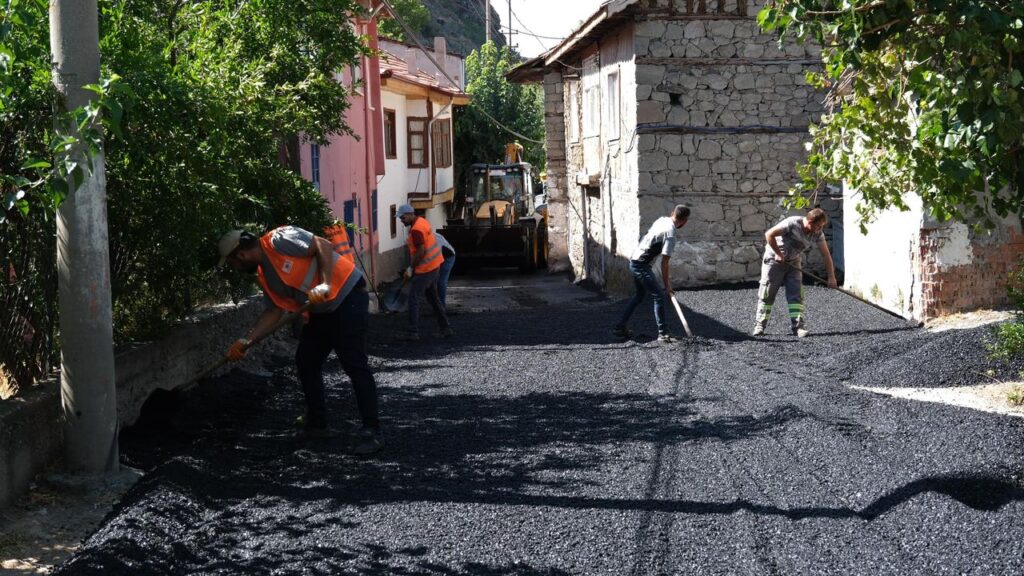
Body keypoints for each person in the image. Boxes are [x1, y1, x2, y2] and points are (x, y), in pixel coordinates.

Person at [217, 226, 382, 454]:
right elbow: (274, 311)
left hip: (347, 298)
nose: (235, 268)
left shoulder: (280, 239)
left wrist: (325, 282)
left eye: (233, 263)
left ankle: (371, 431)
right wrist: (246, 340)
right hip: (320, 312)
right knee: (306, 362)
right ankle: (317, 424)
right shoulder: (265, 275)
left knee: (354, 364)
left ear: (241, 255)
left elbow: (323, 244)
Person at [752, 208, 837, 338]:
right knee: (767, 293)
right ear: (809, 222)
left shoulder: (818, 233)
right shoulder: (792, 223)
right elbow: (769, 234)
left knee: (796, 294)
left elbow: (825, 255)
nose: (819, 229)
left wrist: (831, 277)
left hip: (793, 261)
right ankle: (759, 325)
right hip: (773, 261)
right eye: (818, 226)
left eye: (822, 226)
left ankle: (798, 327)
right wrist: (778, 254)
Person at [613, 204, 690, 343]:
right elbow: (664, 262)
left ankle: (620, 327)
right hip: (641, 265)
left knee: (639, 295)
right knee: (659, 296)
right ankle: (663, 333)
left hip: (635, 260)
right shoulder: (671, 234)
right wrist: (667, 286)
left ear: (673, 213)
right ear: (684, 220)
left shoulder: (662, 220)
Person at [396, 204, 454, 340]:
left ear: (410, 214)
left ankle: (412, 332)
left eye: (403, 217)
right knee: (433, 298)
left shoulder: (416, 229)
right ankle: (445, 328)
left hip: (426, 269)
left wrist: (410, 268)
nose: (401, 220)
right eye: (400, 218)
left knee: (413, 298)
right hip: (434, 266)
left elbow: (421, 251)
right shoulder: (422, 222)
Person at [435, 232, 456, 308]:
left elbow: (436, 258)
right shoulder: (428, 235)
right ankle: (437, 303)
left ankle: (441, 306)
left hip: (448, 257)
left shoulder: (435, 239)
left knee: (441, 281)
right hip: (440, 255)